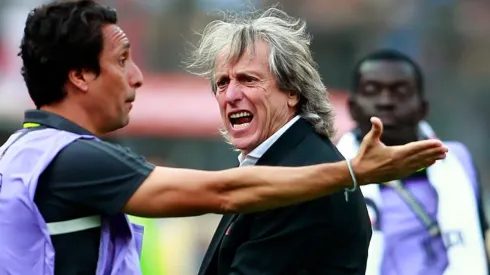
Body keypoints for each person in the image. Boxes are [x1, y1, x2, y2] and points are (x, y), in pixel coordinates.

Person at [0, 1, 447, 274]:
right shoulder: (75, 160)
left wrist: (345, 174)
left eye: (248, 79)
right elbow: (223, 192)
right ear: (80, 75)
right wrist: (350, 172)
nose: (136, 78)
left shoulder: (22, 151)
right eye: (122, 61)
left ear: (293, 90)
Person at [186, 7, 370, 275]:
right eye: (222, 83)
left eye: (248, 79)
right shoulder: (279, 165)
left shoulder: (301, 178)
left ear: (292, 91)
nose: (231, 95)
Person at [336, 49, 489, 275]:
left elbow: (479, 237)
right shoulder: (331, 170)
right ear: (352, 107)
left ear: (423, 108)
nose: (386, 102)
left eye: (400, 92)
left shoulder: (458, 160)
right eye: (372, 90)